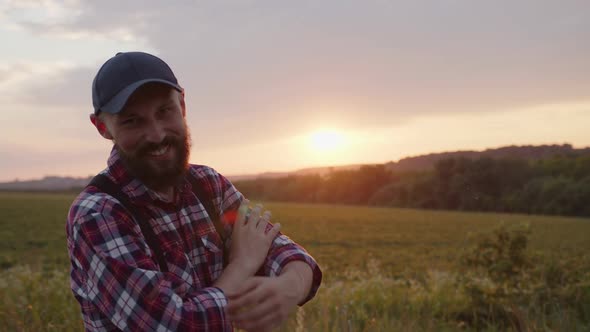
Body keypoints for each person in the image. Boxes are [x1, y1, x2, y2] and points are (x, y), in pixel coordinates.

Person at [66, 51, 322, 332]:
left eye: (165, 111)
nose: (157, 135)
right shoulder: (99, 214)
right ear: (102, 127)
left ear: (183, 105)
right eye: (132, 121)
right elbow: (175, 325)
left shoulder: (209, 185)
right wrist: (242, 264)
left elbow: (282, 251)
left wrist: (290, 286)